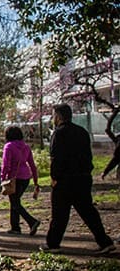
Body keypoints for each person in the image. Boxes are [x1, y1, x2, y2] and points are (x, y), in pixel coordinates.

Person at [43, 103, 115, 254]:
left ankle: (53, 244)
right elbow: (87, 155)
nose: (53, 118)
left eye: (54, 115)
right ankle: (104, 241)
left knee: (60, 213)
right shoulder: (81, 132)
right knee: (88, 211)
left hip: (64, 179)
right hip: (82, 177)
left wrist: (54, 177)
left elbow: (57, 158)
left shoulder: (58, 133)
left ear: (59, 116)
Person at [0, 126, 41, 235]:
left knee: (15, 202)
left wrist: (2, 178)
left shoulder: (8, 146)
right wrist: (36, 181)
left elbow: (5, 165)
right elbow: (32, 165)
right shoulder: (26, 147)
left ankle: (32, 221)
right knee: (15, 201)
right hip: (26, 178)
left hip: (14, 178)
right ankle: (15, 227)